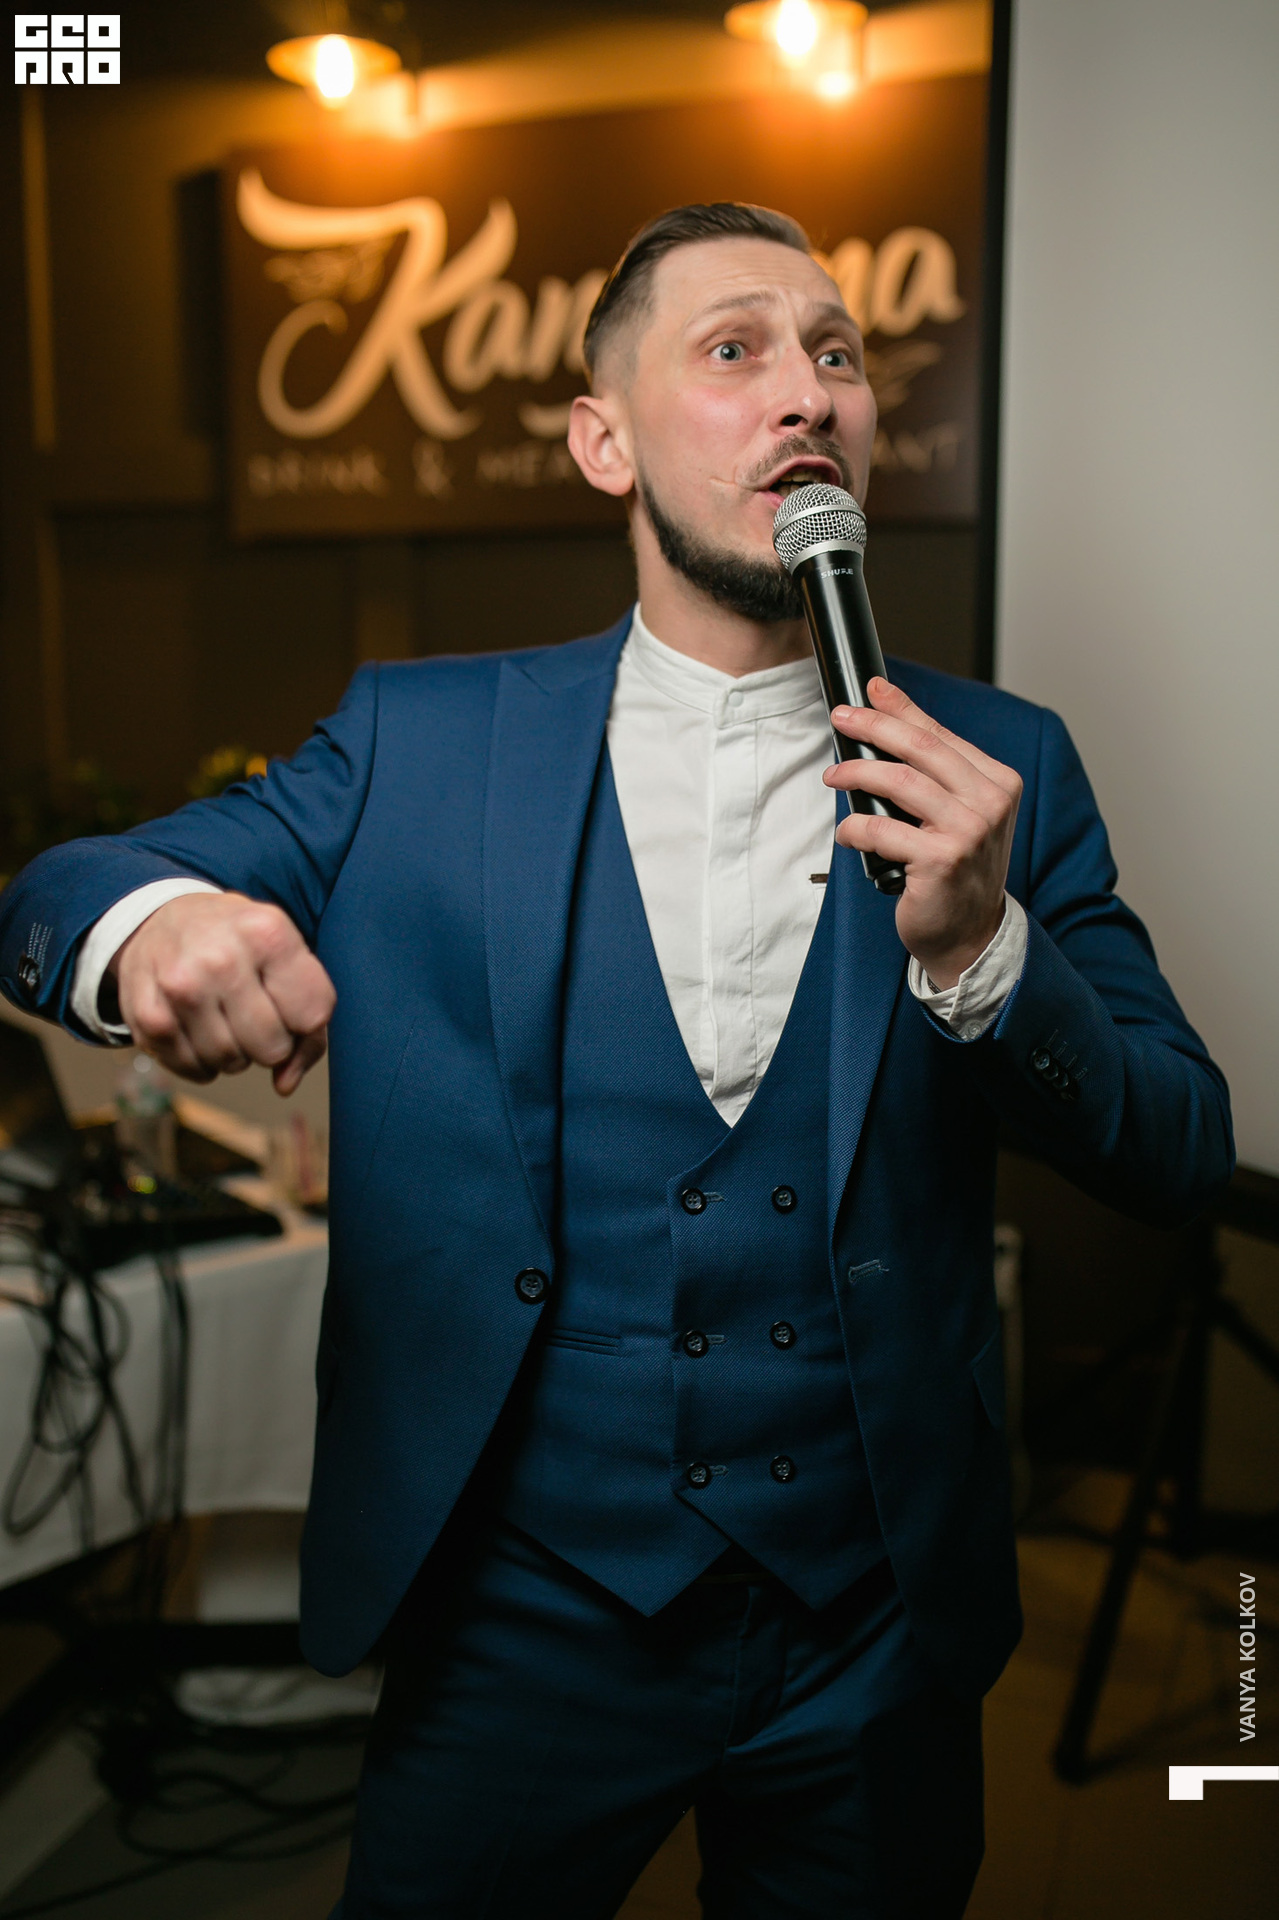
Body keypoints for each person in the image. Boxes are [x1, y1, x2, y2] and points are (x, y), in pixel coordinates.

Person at [0, 203, 1232, 1918]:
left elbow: (1181, 1144)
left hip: (873, 1622)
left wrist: (984, 951)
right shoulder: (419, 740)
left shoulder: (1007, 760)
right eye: (735, 349)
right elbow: (63, 890)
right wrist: (155, 931)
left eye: (837, 354)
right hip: (522, 1617)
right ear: (604, 442)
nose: (807, 391)